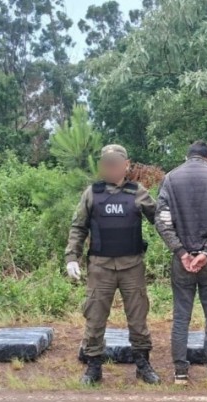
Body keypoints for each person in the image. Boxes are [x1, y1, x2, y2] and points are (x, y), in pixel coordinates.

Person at [64, 144, 160, 386]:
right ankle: (93, 367)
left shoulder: (137, 192)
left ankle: (142, 365)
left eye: (116, 163)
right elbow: (78, 227)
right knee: (95, 318)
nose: (112, 167)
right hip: (100, 267)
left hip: (132, 267)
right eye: (107, 163)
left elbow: (160, 219)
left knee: (138, 319)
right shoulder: (92, 193)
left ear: (126, 165)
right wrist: (71, 257)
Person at [155, 141, 207, 385]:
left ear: (186, 156)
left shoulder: (170, 178)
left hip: (182, 262)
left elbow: (162, 221)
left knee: (181, 317)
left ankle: (180, 373)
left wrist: (181, 252)